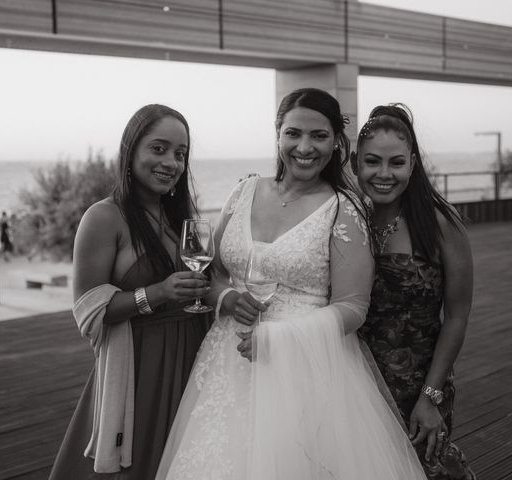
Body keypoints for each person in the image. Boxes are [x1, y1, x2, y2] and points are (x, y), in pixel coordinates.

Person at [156, 89, 426, 479]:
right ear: (278, 134)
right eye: (293, 133)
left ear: (336, 142)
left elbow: (353, 307)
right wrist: (228, 298)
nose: (305, 147)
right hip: (227, 362)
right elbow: (210, 273)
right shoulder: (243, 191)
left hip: (305, 369)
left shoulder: (342, 209)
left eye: (319, 136)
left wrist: (279, 340)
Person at [49, 104, 211, 479]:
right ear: (131, 150)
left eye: (180, 154)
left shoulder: (180, 217)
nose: (171, 162)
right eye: (159, 148)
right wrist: (157, 293)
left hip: (192, 356)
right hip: (141, 368)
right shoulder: (105, 217)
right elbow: (89, 311)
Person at [351, 103, 477, 479]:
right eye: (372, 162)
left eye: (396, 163)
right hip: (354, 380)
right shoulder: (349, 216)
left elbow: (457, 316)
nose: (384, 174)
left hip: (419, 384)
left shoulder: (441, 223)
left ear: (413, 163)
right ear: (357, 162)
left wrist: (430, 396)